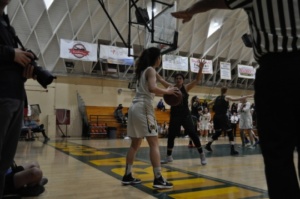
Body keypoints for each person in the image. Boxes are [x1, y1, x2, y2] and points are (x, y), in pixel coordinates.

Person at [172, 1, 300, 198]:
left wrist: (191, 10)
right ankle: (191, 150)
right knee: (205, 133)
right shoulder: (216, 97)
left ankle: (206, 148)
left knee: (277, 155)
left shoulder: (220, 97)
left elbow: (214, 1)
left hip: (275, 71)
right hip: (209, 114)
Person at [121, 47, 179, 189]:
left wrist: (168, 89)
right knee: (154, 143)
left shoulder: (143, 71)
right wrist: (167, 91)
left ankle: (127, 175)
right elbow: (153, 88)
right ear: (156, 58)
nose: (160, 59)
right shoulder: (151, 70)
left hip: (134, 107)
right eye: (160, 57)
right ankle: (158, 178)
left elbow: (156, 87)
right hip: (144, 108)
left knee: (135, 145)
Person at [0, 0, 35, 197]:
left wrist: (23, 72)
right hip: (3, 97)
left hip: (14, 96)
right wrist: (11, 53)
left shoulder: (7, 25)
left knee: (4, 162)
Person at [156, 59, 207, 165]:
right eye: (177, 78)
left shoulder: (186, 87)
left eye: (180, 78)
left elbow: (197, 80)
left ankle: (202, 155)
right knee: (171, 135)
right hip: (174, 115)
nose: (178, 79)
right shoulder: (171, 87)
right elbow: (160, 79)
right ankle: (169, 156)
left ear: (183, 80)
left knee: (193, 134)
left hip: (185, 115)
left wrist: (200, 68)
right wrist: (152, 68)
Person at [205, 87, 251, 155]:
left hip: (216, 117)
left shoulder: (217, 98)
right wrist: (249, 96)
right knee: (230, 133)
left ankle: (208, 145)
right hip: (222, 116)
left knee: (218, 132)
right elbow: (237, 99)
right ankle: (232, 150)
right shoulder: (226, 97)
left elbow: (208, 104)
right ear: (226, 91)